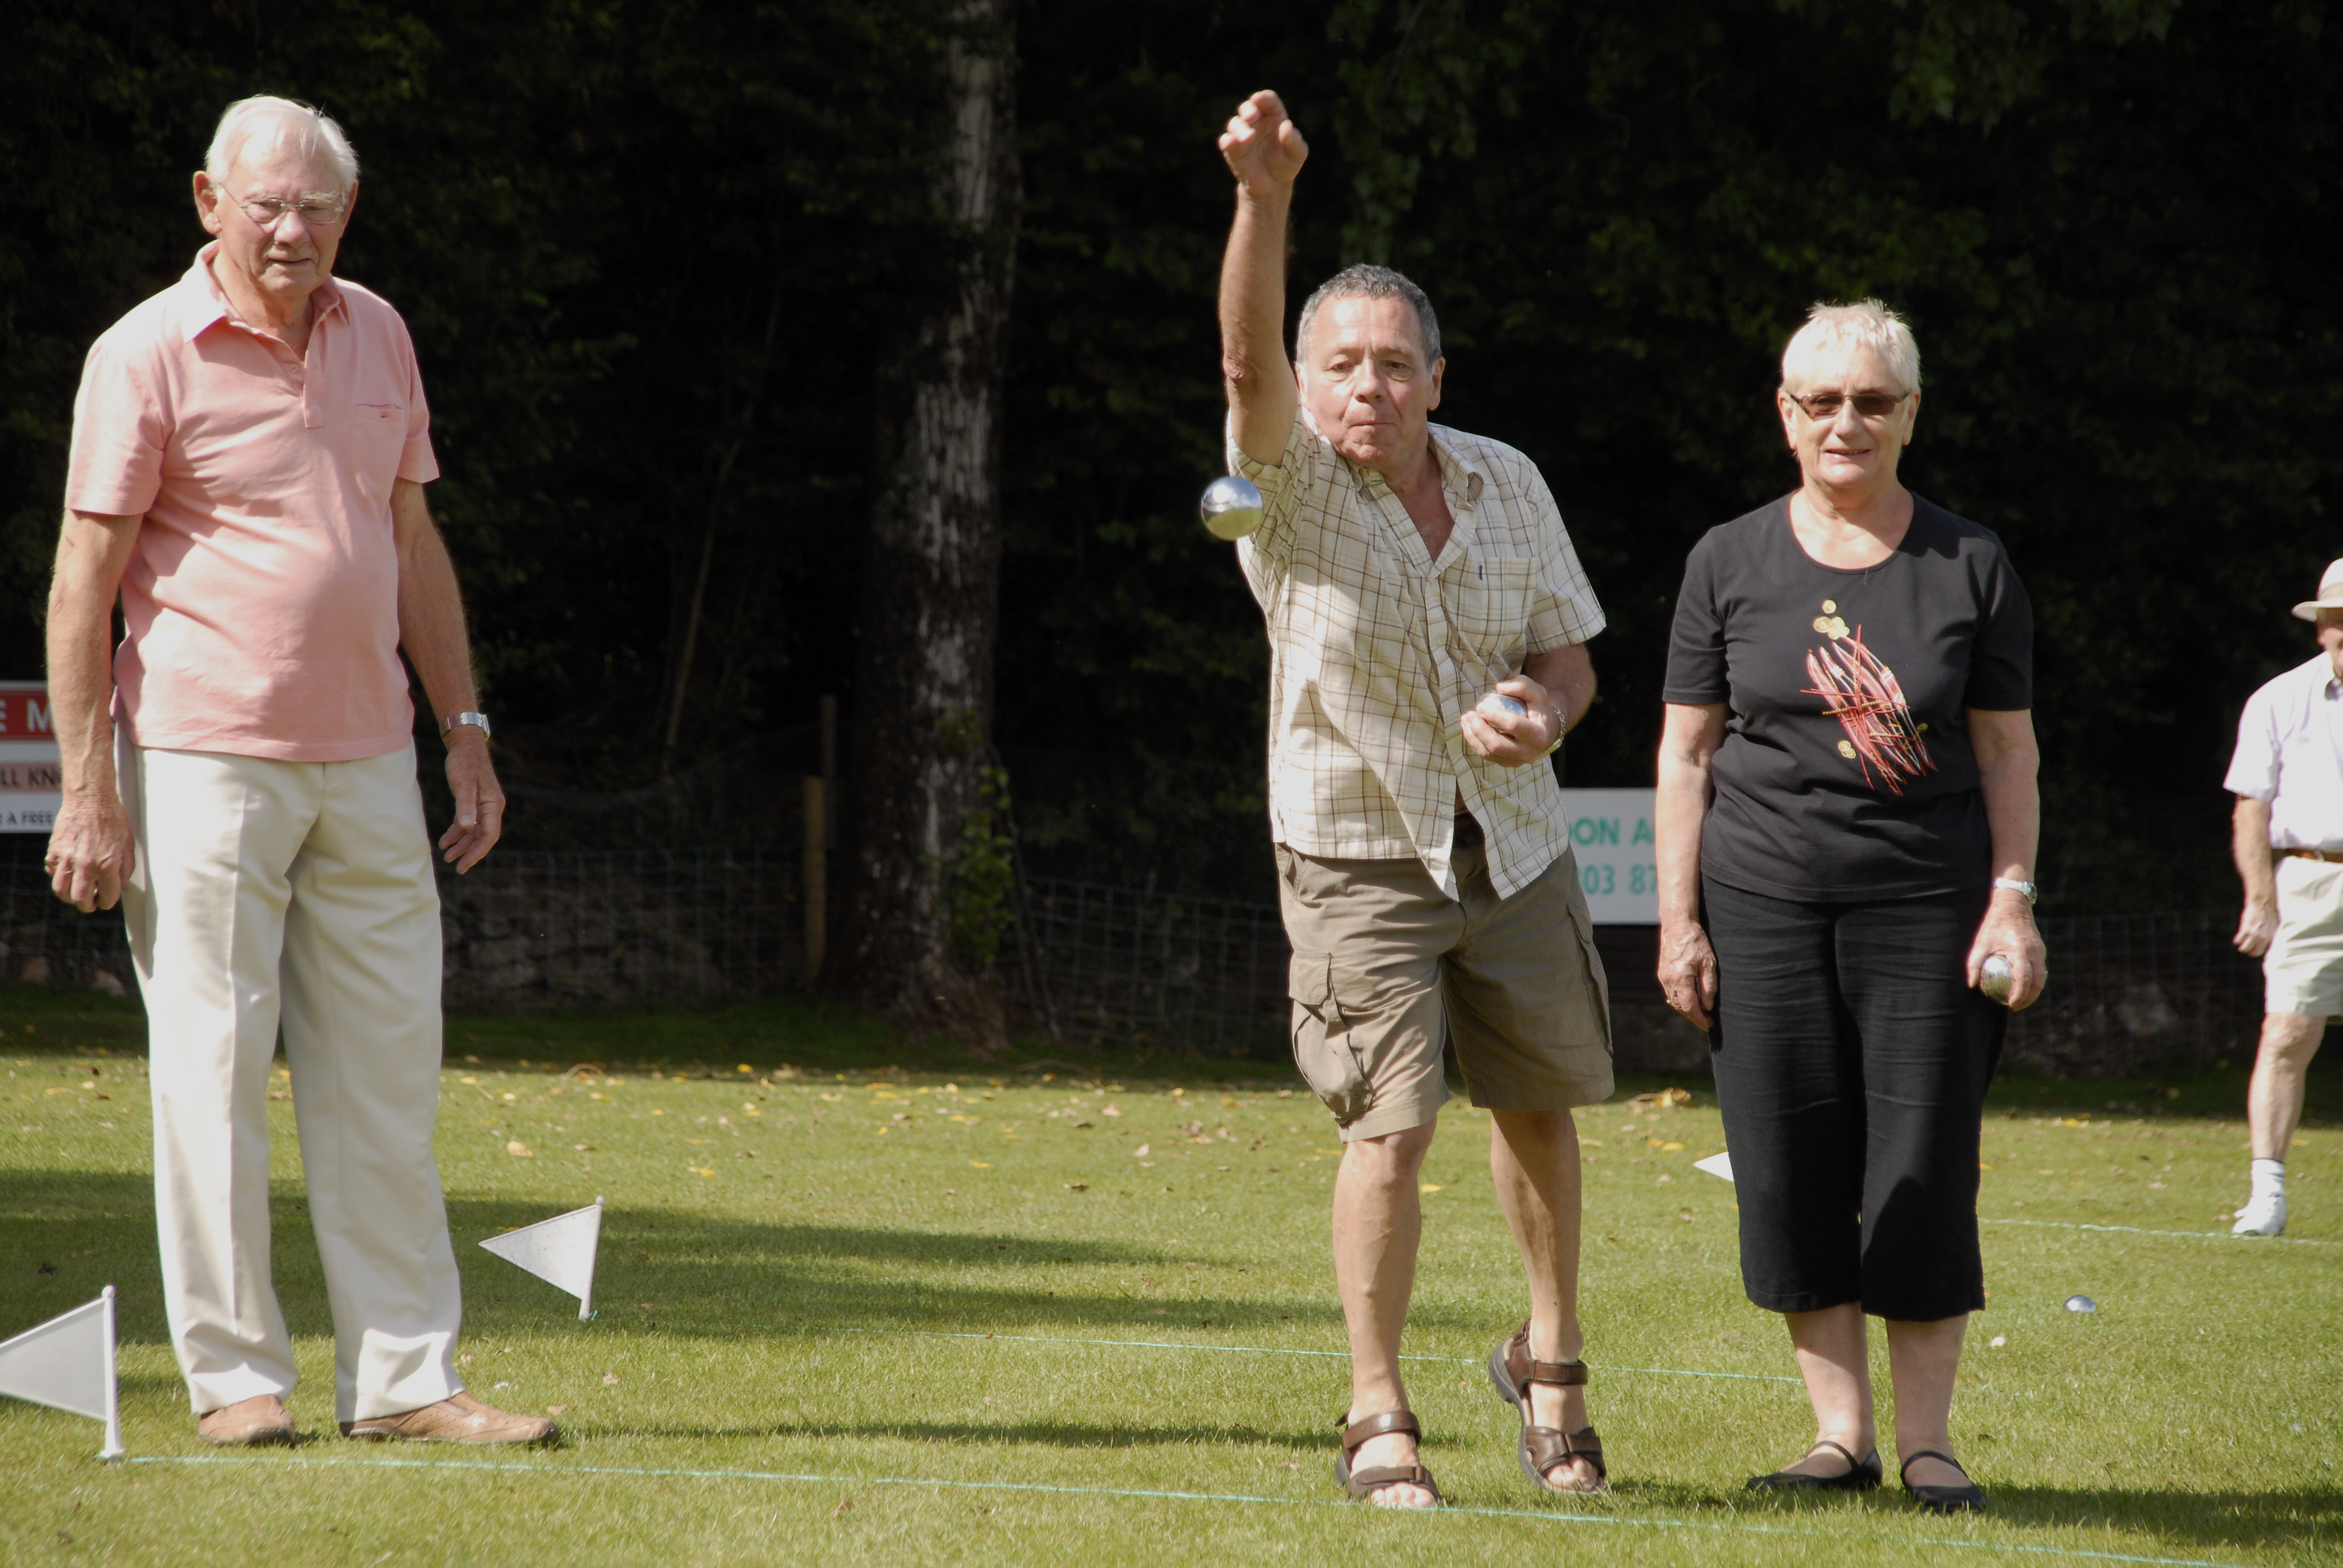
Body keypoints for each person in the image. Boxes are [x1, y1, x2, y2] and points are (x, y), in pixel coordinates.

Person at [45, 96, 551, 1448]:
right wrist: (90, 789)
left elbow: (410, 540)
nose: (292, 229)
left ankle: (404, 1384)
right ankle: (235, 1386)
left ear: (349, 212)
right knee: (209, 1077)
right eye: (266, 203)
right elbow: (82, 582)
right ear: (208, 199)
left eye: (317, 206)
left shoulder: (378, 329)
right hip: (202, 762)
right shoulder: (141, 352)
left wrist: (466, 729)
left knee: (387, 1077)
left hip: (374, 758)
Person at [1215, 90, 1616, 1509]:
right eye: (1341, 365)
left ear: (1436, 380)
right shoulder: (1288, 488)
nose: (1365, 388)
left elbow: (1566, 656)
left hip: (1513, 846)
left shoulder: (1509, 483)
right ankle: (1375, 1408)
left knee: (1541, 1110)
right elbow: (1243, 361)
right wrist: (1264, 198)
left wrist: (1543, 711)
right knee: (1389, 1127)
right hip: (1355, 852)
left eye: (1392, 364)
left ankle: (1550, 1360)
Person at [1653, 300, 2042, 1515]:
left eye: (1871, 401)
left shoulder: (1969, 561)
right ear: (1783, 413)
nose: (1844, 422)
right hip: (1759, 902)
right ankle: (1838, 1439)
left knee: (1923, 1162)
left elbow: (2006, 756)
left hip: (1928, 908)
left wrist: (2011, 903)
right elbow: (1685, 756)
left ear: (1910, 413)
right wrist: (1679, 922)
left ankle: (1928, 1447)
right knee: (1786, 1162)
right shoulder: (1726, 559)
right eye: (1819, 400)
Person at [2221, 560, 2343, 1236]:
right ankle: (2266, 1195)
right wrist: (2259, 899)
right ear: (2321, 628)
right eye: (2339, 622)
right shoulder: (2276, 699)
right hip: (2312, 876)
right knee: (2287, 1032)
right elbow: (2251, 807)